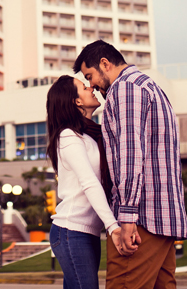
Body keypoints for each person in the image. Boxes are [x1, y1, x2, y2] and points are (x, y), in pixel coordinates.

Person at [75, 40, 187, 289]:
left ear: (105, 63)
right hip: (163, 218)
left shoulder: (124, 89)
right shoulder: (151, 87)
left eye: (90, 76)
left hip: (141, 221)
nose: (91, 85)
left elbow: (130, 156)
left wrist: (126, 218)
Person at [46, 74, 123, 289]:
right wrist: (113, 227)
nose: (91, 87)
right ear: (76, 101)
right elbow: (90, 182)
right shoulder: (69, 137)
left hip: (86, 232)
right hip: (72, 231)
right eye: (83, 86)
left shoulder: (90, 135)